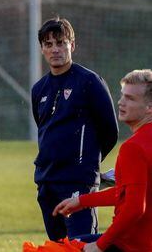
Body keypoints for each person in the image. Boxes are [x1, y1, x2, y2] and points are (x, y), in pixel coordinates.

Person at [31, 17, 118, 240]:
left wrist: (86, 164)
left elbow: (110, 131)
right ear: (42, 48)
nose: (55, 49)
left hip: (78, 181)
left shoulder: (90, 82)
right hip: (47, 181)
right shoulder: (38, 89)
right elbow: (45, 130)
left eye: (61, 43)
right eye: (48, 44)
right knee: (57, 245)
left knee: (81, 243)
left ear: (72, 45)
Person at [53, 69, 152, 252]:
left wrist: (98, 246)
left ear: (150, 108)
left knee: (55, 249)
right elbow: (128, 193)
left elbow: (135, 207)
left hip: (130, 246)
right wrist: (82, 201)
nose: (121, 102)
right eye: (122, 96)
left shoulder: (133, 147)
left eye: (130, 98)